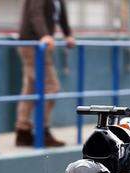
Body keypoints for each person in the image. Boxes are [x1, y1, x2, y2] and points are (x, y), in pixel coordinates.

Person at [15, 0, 76, 147]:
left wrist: (68, 34)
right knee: (51, 87)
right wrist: (44, 35)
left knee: (30, 88)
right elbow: (36, 14)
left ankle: (23, 131)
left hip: (39, 44)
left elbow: (60, 14)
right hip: (33, 44)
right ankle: (42, 131)